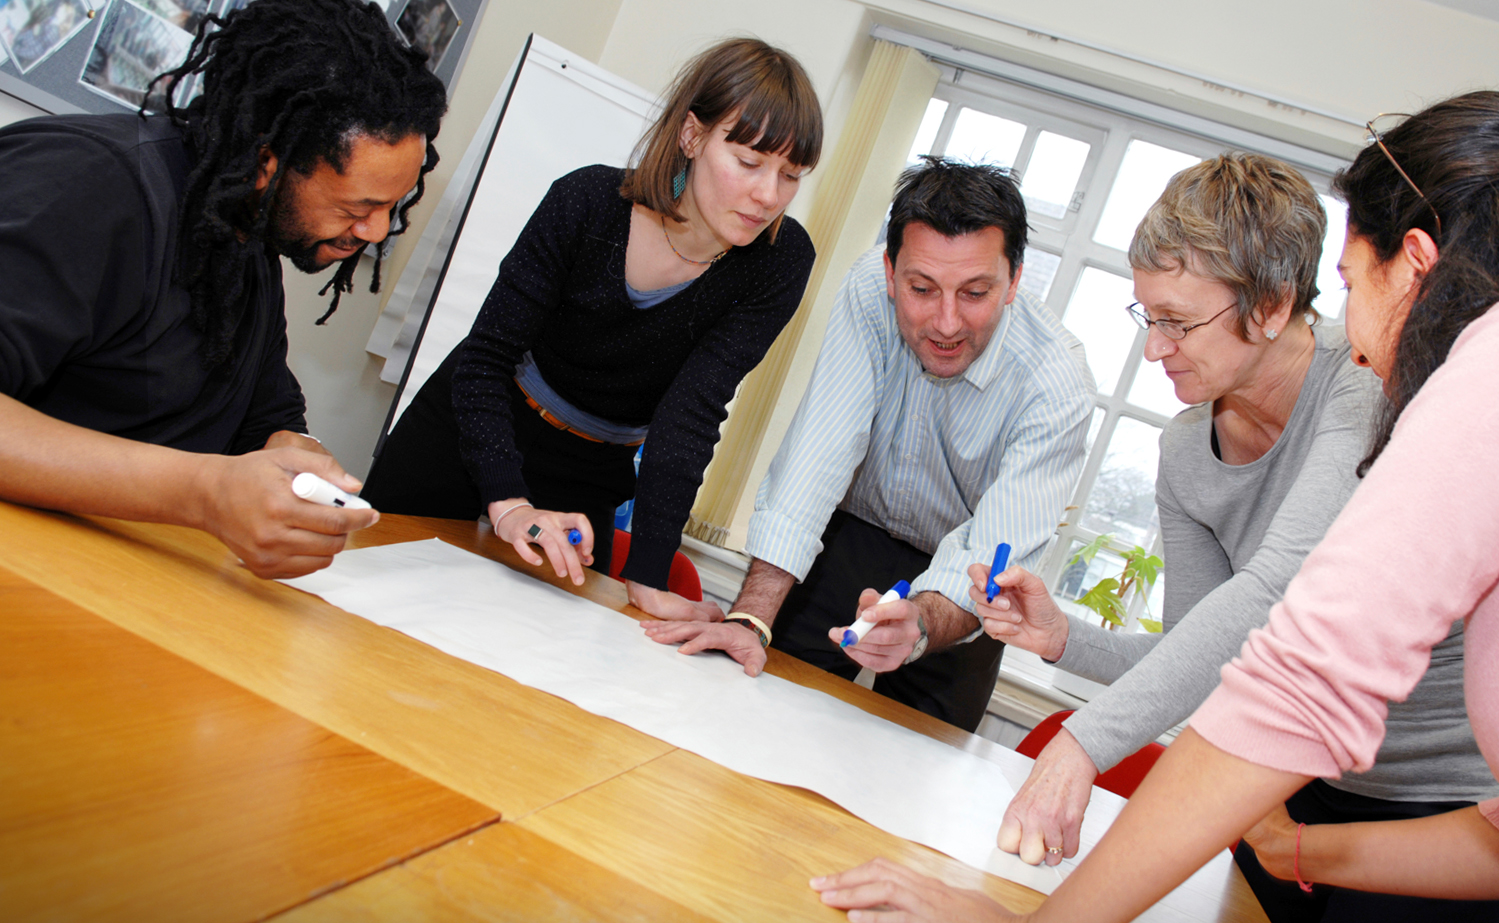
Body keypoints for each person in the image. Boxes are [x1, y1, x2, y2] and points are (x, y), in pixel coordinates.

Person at [811, 91, 1499, 923]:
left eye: (1352, 288)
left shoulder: (1476, 362)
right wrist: (1292, 842)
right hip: (1356, 807)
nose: (1350, 332)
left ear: (1416, 267)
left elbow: (1288, 636)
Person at [966, 153, 1499, 923]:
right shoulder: (1185, 451)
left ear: (1267, 308)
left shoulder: (1368, 385)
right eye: (1145, 316)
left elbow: (1276, 594)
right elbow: (1208, 651)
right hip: (1292, 785)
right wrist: (1063, 639)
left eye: (1178, 323)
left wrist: (1083, 742)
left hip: (1440, 805)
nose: (1153, 349)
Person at [643, 158, 1097, 732]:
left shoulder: (1057, 384)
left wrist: (922, 625)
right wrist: (751, 618)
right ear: (889, 272)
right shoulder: (866, 289)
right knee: (753, 710)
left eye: (976, 292)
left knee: (913, 771)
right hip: (849, 538)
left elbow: (990, 555)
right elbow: (819, 450)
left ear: (1014, 281)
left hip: (965, 584)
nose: (947, 322)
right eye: (921, 289)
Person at [0, 0, 446, 578]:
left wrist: (291, 453)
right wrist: (205, 492)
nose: (378, 230)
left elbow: (265, 416)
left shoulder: (245, 240)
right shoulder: (85, 185)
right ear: (268, 161)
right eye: (360, 206)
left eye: (393, 206)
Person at [365, 39, 820, 606]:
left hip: (591, 470)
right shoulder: (588, 202)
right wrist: (508, 503)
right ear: (692, 135)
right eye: (749, 162)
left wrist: (650, 578)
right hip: (477, 427)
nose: (768, 195)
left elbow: (691, 417)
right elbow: (485, 358)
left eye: (791, 175)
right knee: (370, 595)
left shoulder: (779, 262)